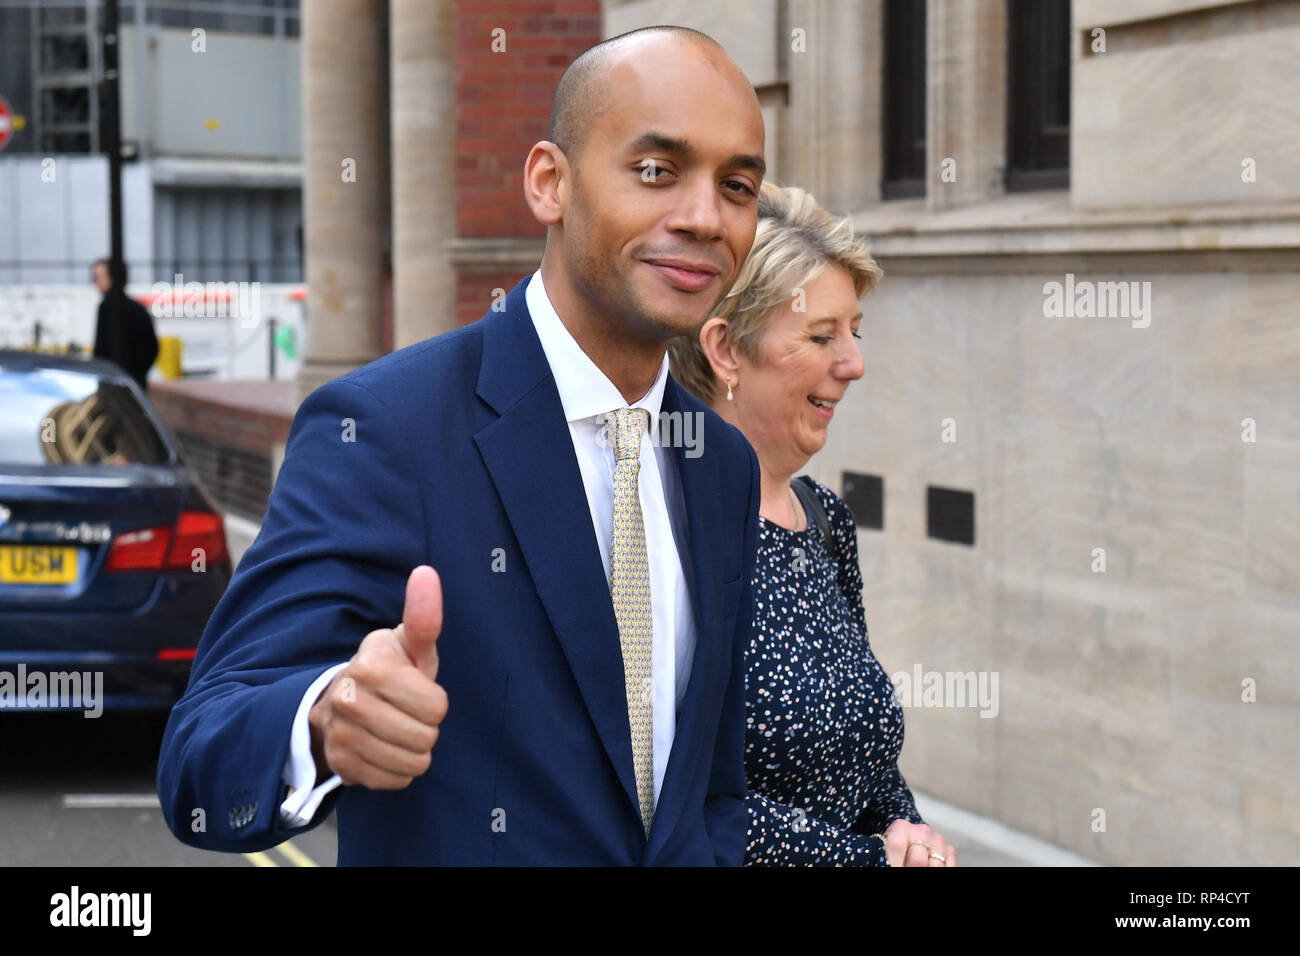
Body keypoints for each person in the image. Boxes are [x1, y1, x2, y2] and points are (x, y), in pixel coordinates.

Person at [157, 26, 768, 865]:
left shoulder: (721, 464)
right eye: (657, 171)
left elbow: (710, 788)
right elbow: (199, 761)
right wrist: (327, 716)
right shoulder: (386, 429)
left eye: (737, 185)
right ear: (550, 182)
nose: (705, 217)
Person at [669, 181, 958, 866]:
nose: (854, 364)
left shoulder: (825, 519)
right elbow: (676, 796)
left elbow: (864, 750)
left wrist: (905, 828)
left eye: (854, 332)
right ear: (726, 349)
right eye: (822, 335)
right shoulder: (661, 525)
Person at [92, 257, 158, 391]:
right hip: (134, 383)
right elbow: (152, 348)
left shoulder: (107, 308)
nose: (96, 282)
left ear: (111, 277)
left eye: (99, 277)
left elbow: (100, 350)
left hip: (114, 383)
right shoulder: (137, 309)